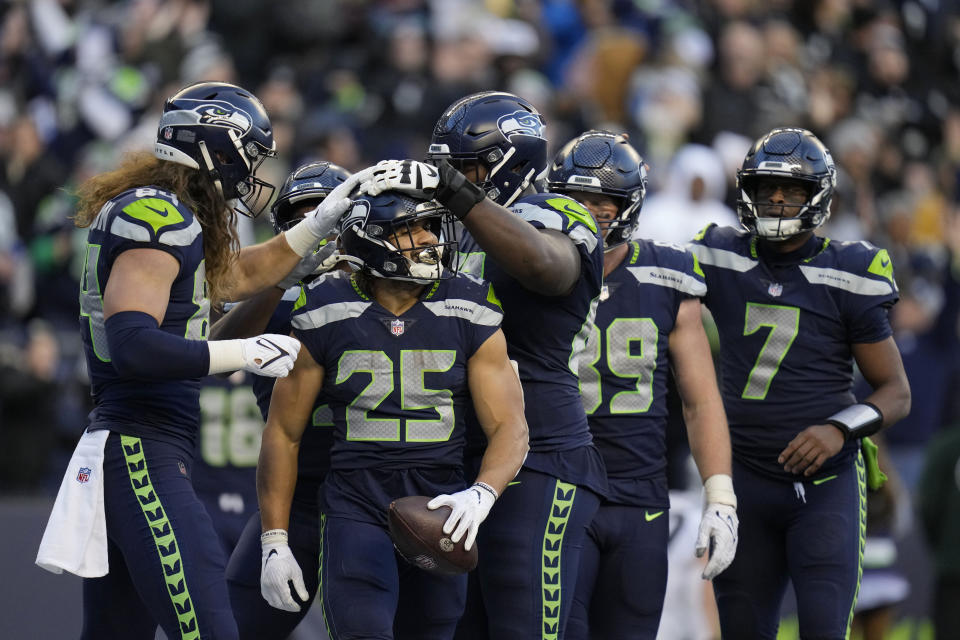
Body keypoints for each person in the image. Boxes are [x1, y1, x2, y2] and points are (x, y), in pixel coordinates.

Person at [35, 81, 372, 640]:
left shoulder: (164, 213)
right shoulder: (157, 218)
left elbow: (237, 279)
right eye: (247, 159)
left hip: (138, 444)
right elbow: (134, 345)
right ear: (216, 149)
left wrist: (314, 227)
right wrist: (241, 352)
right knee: (212, 630)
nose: (249, 176)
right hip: (140, 449)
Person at [361, 91, 608, 639]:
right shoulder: (458, 234)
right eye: (450, 170)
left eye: (468, 169)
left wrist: (454, 190)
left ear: (511, 163)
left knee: (523, 626)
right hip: (460, 455)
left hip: (542, 453)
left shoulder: (558, 214)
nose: (457, 180)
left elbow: (548, 268)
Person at [257, 189, 529, 639]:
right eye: (411, 229)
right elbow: (283, 433)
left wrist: (481, 494)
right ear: (370, 240)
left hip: (442, 501)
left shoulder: (468, 304)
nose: (428, 239)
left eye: (429, 227)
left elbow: (510, 426)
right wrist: (274, 540)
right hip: (356, 502)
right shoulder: (325, 307)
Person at [688, 127, 911, 639]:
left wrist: (837, 428)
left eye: (792, 190)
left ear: (820, 197)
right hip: (742, 478)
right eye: (768, 188)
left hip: (826, 483)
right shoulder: (719, 254)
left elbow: (896, 391)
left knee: (822, 629)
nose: (779, 199)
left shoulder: (850, 270)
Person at [543, 130, 736, 639]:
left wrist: (720, 495)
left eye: (601, 201)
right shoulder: (529, 272)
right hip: (556, 488)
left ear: (627, 204)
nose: (587, 212)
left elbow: (699, 400)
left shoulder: (667, 273)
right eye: (576, 200)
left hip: (639, 492)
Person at [214, 160, 351, 640]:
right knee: (234, 629)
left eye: (327, 219)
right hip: (294, 497)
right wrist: (278, 283)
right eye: (304, 221)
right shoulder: (274, 297)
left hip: (378, 489)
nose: (317, 234)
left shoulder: (390, 290)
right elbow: (217, 347)